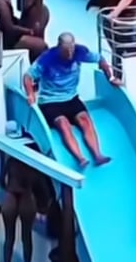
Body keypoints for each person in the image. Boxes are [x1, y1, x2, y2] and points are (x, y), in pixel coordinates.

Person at [23, 33, 121, 167]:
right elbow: (28, 76)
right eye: (66, 50)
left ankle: (98, 155)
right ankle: (80, 158)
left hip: (71, 98)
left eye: (71, 49)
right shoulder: (47, 59)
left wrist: (110, 78)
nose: (70, 53)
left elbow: (100, 59)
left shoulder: (80, 52)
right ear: (59, 47)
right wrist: (30, 94)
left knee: (85, 121)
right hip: (50, 101)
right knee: (63, 124)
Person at [0, 155, 49, 262]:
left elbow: (1, 179)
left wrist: (9, 188)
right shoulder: (32, 162)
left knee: (9, 237)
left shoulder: (11, 160)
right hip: (27, 197)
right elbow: (41, 187)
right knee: (26, 237)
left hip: (11, 196)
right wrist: (43, 207)